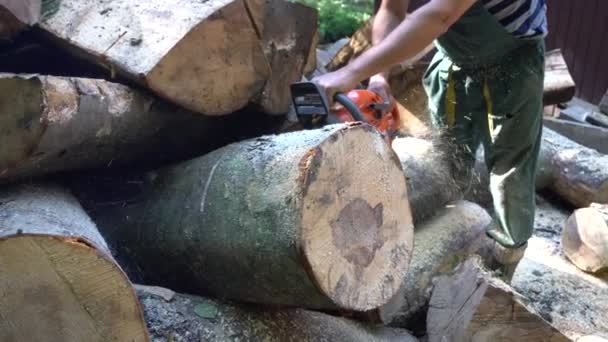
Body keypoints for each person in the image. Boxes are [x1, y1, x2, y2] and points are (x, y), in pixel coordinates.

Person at [313, 0, 547, 282]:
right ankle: (447, 244)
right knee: (445, 159)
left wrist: (349, 73)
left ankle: (503, 266)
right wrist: (378, 76)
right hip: (455, 60)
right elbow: (392, 10)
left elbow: (440, 15)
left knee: (510, 172)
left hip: (513, 61)